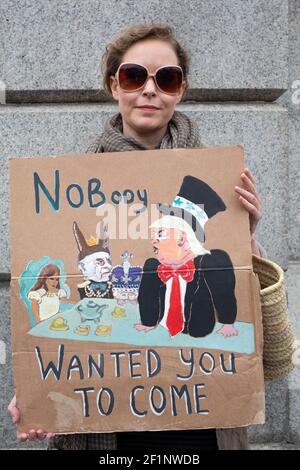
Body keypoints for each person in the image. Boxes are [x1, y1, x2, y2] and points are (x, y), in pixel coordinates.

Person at [8, 23, 263, 450]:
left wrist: (247, 237)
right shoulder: (66, 190)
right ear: (114, 86)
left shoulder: (220, 183)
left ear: (180, 90)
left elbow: (256, 336)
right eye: (133, 76)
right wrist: (38, 391)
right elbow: (59, 299)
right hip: (105, 427)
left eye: (166, 78)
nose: (149, 90)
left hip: (201, 419)